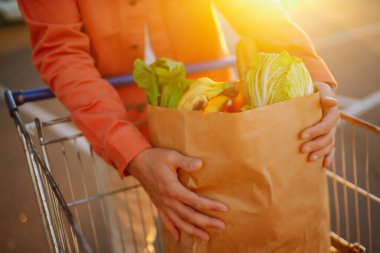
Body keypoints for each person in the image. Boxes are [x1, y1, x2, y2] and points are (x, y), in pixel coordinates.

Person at [18, 0, 339, 244]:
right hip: (122, 121)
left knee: (229, 231)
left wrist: (312, 73)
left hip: (215, 122)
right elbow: (60, 49)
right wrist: (130, 152)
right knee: (132, 236)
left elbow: (254, 11)